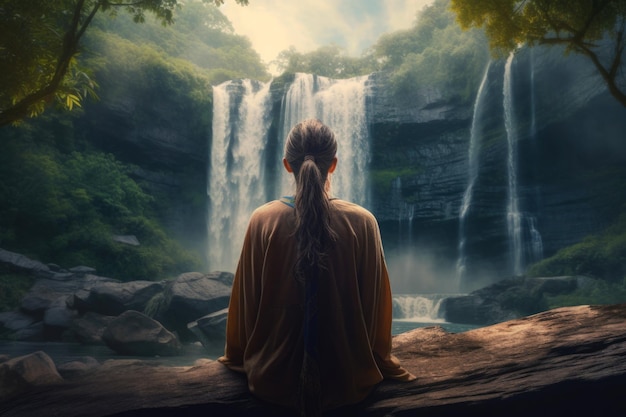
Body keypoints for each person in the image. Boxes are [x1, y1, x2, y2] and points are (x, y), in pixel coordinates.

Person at [218, 118, 416, 416]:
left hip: (271, 381)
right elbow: (375, 309)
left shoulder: (262, 220)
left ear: (288, 165)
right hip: (348, 381)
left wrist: (238, 356)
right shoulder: (362, 222)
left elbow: (246, 305)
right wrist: (379, 360)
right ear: (333, 164)